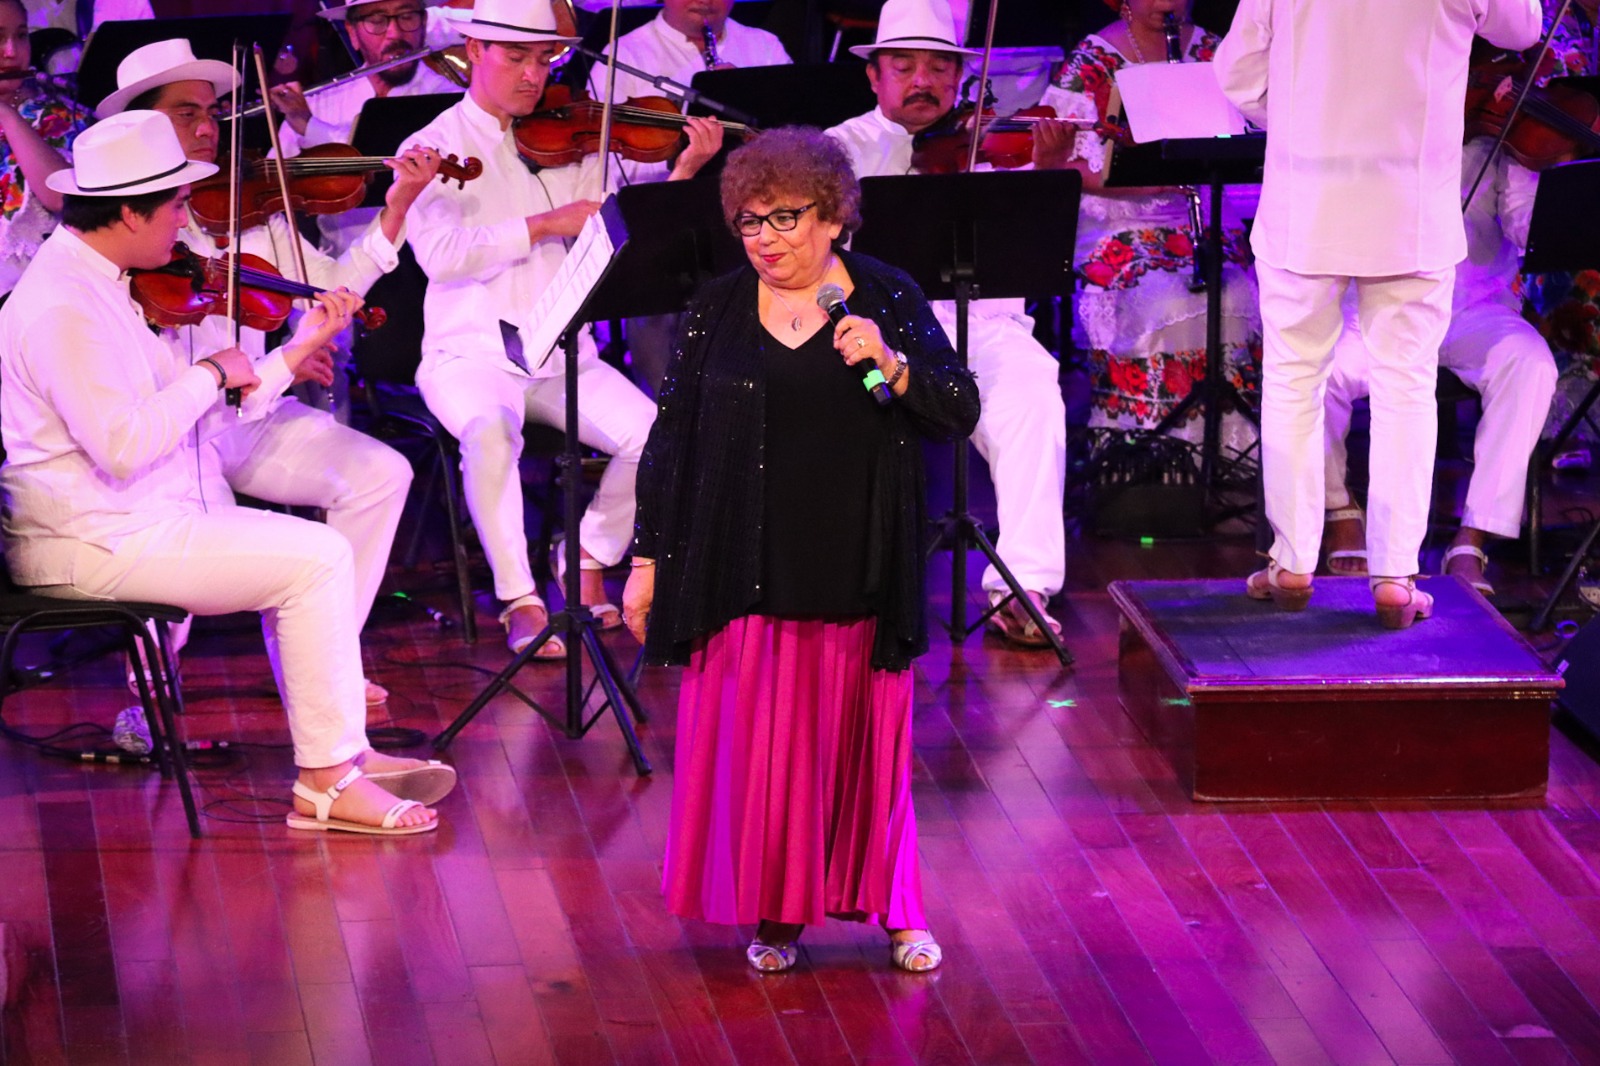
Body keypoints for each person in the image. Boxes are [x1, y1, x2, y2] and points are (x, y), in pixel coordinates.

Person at [0, 109, 454, 835]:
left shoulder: (110, 279)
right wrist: (211, 371)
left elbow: (195, 420)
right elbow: (123, 445)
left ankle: (347, 758)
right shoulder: (61, 305)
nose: (186, 221)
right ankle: (325, 783)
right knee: (317, 559)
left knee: (321, 554)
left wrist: (286, 354)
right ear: (129, 211)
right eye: (177, 205)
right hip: (88, 539)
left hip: (139, 516)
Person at [622, 126, 980, 973]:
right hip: (746, 564)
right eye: (750, 222)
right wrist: (647, 559)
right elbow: (671, 442)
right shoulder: (717, 308)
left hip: (858, 562)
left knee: (865, 751)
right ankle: (778, 912)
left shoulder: (885, 295)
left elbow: (957, 409)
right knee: (767, 757)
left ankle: (898, 910)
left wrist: (892, 365)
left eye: (784, 218)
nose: (765, 239)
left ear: (831, 216)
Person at [97, 38, 436, 703]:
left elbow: (329, 289)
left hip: (251, 415)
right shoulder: (125, 227)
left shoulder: (249, 203)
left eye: (212, 112)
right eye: (186, 112)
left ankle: (324, 664)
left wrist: (396, 208)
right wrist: (285, 359)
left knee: (381, 473)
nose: (207, 127)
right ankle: (148, 688)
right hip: (171, 440)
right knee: (196, 551)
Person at [399, 0, 720, 656]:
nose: (532, 74)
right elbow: (441, 256)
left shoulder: (576, 135)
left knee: (656, 435)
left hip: (564, 353)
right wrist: (545, 225)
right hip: (469, 355)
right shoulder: (430, 146)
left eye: (543, 59)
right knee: (491, 435)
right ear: (474, 50)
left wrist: (683, 172)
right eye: (515, 57)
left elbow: (627, 230)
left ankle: (585, 555)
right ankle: (518, 597)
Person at [1213, 0, 1542, 628]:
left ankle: (1292, 560)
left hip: (1307, 198)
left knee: (1294, 380)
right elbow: (1522, 27)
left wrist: (1306, 117)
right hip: (1411, 206)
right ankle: (1394, 577)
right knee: (1406, 386)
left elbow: (1238, 73)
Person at [826, 0, 1072, 647]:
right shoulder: (839, 150)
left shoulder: (991, 145)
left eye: (939, 68)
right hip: (881, 329)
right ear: (874, 75)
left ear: (961, 78)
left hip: (983, 323)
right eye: (904, 66)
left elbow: (1034, 246)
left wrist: (1046, 172)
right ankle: (843, 589)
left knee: (1032, 390)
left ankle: (1024, 588)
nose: (922, 81)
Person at [1321, 135, 1556, 597]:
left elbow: (1526, 228)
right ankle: (1339, 508)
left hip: (1474, 307)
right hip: (1379, 307)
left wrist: (1536, 163)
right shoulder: (1381, 115)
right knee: (1318, 373)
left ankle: (1473, 537)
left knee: (1530, 363)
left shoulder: (1502, 134)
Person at [1040, 0, 1262, 458]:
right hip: (1117, 219)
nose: (1166, 4)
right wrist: (1148, 178)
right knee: (1164, 299)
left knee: (1236, 294)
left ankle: (1228, 453)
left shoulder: (1214, 52)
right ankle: (1152, 456)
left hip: (1198, 211)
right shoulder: (1093, 59)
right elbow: (1063, 167)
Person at [588, 0, 791, 393]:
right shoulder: (624, 55)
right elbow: (609, 177)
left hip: (753, 222)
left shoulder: (765, 47)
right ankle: (668, 411)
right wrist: (682, 152)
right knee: (654, 298)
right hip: (667, 229)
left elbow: (797, 145)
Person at [272, 0, 464, 257]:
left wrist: (312, 129)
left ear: (424, 22)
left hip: (430, 266)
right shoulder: (318, 103)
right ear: (352, 33)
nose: (395, 33)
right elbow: (271, 186)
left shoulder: (454, 103)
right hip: (342, 268)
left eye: (407, 16)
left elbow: (391, 159)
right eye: (377, 20)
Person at [0, 0, 88, 299]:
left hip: (39, 294)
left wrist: (5, 113)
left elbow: (62, 197)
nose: (11, 51)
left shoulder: (56, 114)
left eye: (21, 35)